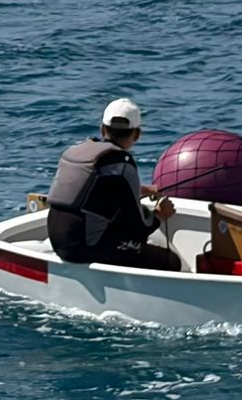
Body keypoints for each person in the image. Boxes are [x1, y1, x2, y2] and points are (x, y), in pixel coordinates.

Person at [44, 98, 181, 272]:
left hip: (58, 240)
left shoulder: (76, 151)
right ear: (137, 134)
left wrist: (139, 190)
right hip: (84, 247)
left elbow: (92, 190)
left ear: (103, 129)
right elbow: (140, 227)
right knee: (170, 261)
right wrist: (160, 215)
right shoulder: (122, 163)